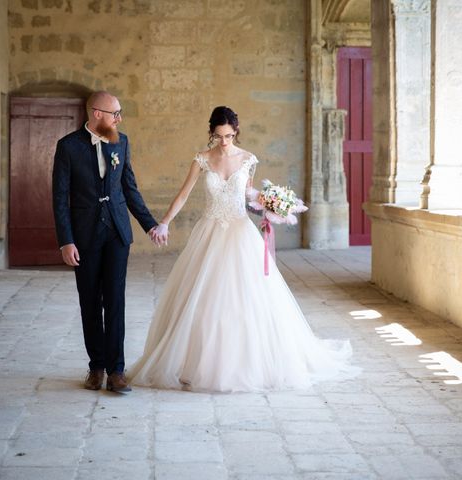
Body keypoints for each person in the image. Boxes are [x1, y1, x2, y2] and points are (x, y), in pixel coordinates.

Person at [129, 106, 358, 392]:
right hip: (210, 232)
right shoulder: (202, 159)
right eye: (219, 135)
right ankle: (191, 364)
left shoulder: (248, 159)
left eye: (229, 135)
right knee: (201, 297)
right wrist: (163, 223)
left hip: (240, 232)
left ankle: (251, 364)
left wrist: (271, 207)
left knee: (247, 299)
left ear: (236, 131)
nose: (224, 141)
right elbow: (183, 194)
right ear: (211, 132)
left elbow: (249, 197)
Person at [52, 91, 164, 393]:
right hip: (84, 235)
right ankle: (96, 367)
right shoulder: (68, 147)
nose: (119, 118)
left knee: (115, 300)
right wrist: (66, 241)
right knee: (90, 301)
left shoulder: (121, 142)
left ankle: (117, 370)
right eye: (115, 112)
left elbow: (130, 188)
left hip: (117, 232)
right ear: (97, 113)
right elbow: (60, 199)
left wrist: (150, 224)